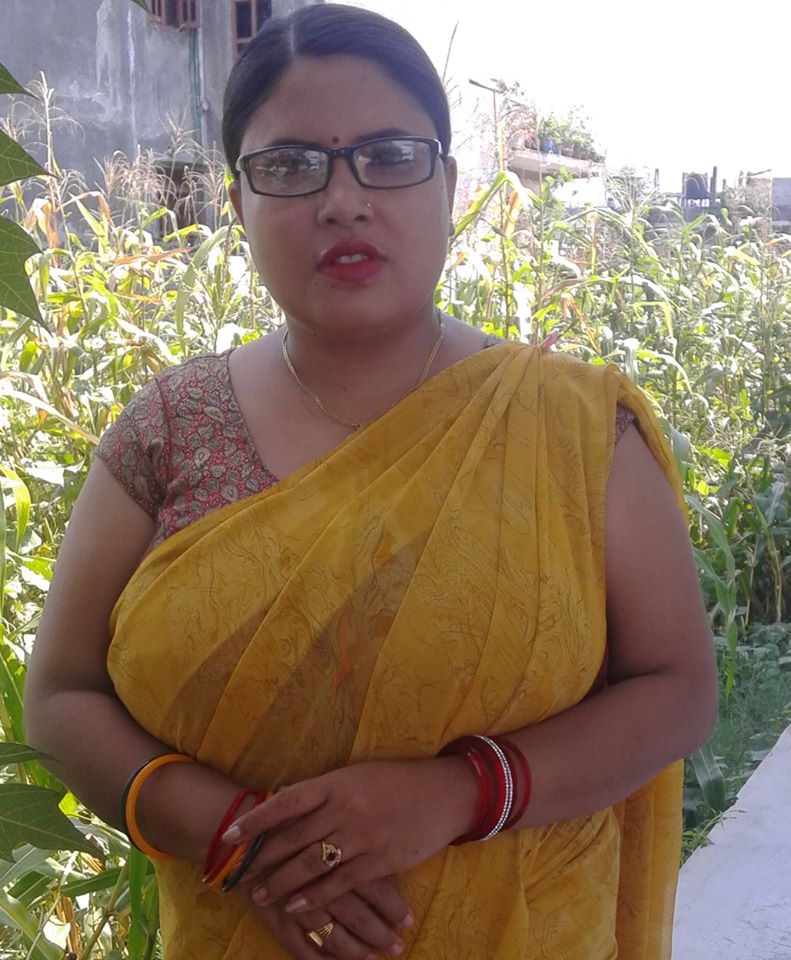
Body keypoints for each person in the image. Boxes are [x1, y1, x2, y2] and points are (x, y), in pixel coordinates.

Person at [24, 5, 718, 959]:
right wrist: (240, 841)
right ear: (238, 203)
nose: (342, 200)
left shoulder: (572, 426)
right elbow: (60, 697)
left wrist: (462, 792)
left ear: (449, 186)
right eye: (289, 165)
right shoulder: (169, 430)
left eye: (389, 156)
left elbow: (676, 689)